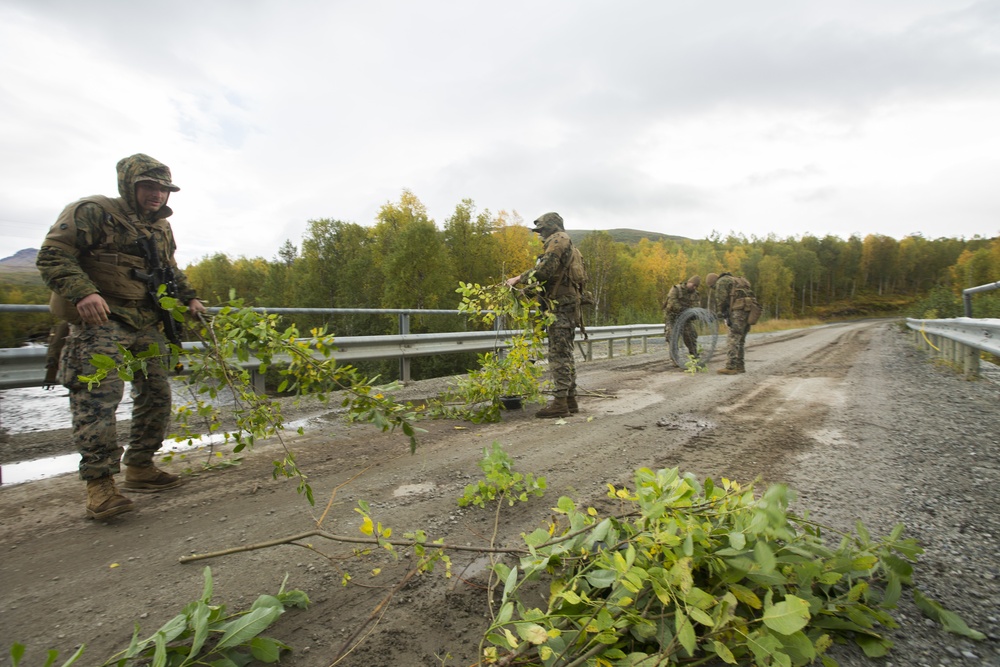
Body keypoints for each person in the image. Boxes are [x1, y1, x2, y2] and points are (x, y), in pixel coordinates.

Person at [37, 153, 207, 520]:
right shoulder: (92, 211)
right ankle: (100, 487)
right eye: (149, 187)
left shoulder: (160, 228)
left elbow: (168, 270)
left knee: (158, 395)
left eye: (163, 189)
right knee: (98, 400)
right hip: (100, 322)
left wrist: (189, 297)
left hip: (145, 321)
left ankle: (141, 467)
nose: (157, 195)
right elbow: (52, 255)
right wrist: (84, 292)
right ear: (129, 186)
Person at [505, 212, 582, 418]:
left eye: (542, 230)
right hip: (566, 306)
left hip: (560, 309)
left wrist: (518, 278)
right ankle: (570, 400)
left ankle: (560, 403)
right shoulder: (569, 245)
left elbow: (544, 271)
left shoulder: (558, 240)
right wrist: (528, 291)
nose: (540, 235)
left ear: (552, 227)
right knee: (565, 353)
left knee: (558, 355)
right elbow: (554, 277)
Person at [706, 272, 749, 374]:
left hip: (738, 311)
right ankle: (740, 366)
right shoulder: (734, 280)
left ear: (713, 283)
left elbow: (721, 300)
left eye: (713, 287)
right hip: (749, 310)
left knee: (733, 338)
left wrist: (720, 314)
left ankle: (731, 367)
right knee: (740, 339)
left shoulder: (721, 282)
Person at [663, 275, 701, 365]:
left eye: (696, 286)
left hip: (685, 318)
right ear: (689, 282)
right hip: (672, 317)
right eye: (693, 285)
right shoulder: (676, 289)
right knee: (672, 336)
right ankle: (675, 359)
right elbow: (672, 302)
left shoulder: (695, 294)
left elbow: (696, 306)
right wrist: (683, 309)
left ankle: (694, 357)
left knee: (690, 335)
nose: (694, 287)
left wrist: (694, 314)